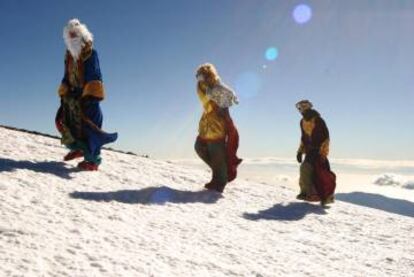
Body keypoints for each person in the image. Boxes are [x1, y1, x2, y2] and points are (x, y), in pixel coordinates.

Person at [55, 19, 117, 171]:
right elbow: (66, 76)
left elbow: (95, 75)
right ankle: (77, 148)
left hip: (88, 97)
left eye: (75, 35)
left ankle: (93, 161)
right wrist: (64, 90)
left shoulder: (90, 53)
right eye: (70, 36)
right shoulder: (68, 57)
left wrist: (90, 96)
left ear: (82, 35)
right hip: (72, 97)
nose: (72, 38)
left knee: (90, 128)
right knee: (63, 121)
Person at [194, 63, 242, 193]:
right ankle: (221, 173)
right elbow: (205, 102)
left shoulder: (216, 87)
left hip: (217, 127)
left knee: (216, 154)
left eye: (200, 76)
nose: (198, 79)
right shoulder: (204, 88)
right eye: (197, 77)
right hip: (206, 126)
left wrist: (223, 107)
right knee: (199, 147)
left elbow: (230, 97)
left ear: (207, 76)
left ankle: (219, 182)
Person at [296, 100, 336, 206]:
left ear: (306, 107)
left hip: (318, 151)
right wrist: (300, 151)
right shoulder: (302, 121)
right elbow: (304, 138)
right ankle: (308, 194)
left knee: (319, 173)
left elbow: (326, 138)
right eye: (299, 108)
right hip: (310, 151)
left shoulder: (318, 120)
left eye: (301, 107)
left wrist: (323, 153)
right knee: (309, 170)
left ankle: (319, 196)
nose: (300, 110)